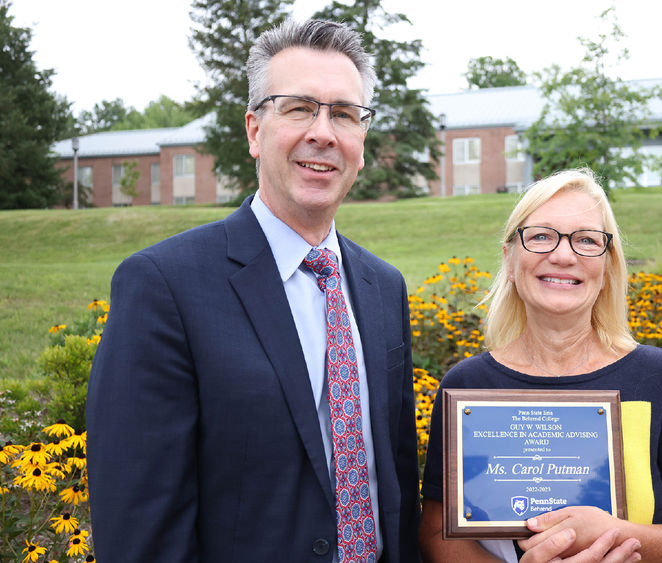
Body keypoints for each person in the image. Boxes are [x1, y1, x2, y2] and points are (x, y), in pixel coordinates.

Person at [86, 19, 419, 562]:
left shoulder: (383, 286)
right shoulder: (163, 285)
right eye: (298, 108)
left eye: (344, 114)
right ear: (254, 130)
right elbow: (140, 521)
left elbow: (397, 482)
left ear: (362, 137)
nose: (324, 132)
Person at [419, 169, 662, 563]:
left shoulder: (658, 377)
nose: (563, 255)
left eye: (587, 240)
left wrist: (620, 535)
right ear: (510, 257)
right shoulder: (467, 385)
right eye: (540, 236)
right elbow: (437, 532)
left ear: (608, 267)